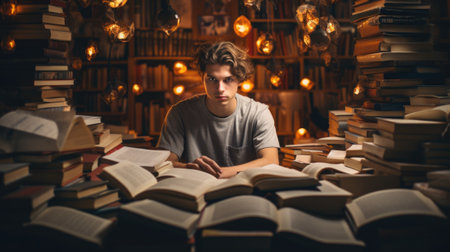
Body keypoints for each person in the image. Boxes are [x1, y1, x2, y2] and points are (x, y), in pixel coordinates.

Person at [157, 41, 280, 178]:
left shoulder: (258, 113)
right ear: (202, 78)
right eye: (212, 79)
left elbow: (271, 161)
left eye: (228, 79)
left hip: (243, 191)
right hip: (196, 187)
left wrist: (217, 173)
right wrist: (189, 168)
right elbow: (164, 163)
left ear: (239, 80)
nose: (220, 88)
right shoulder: (179, 113)